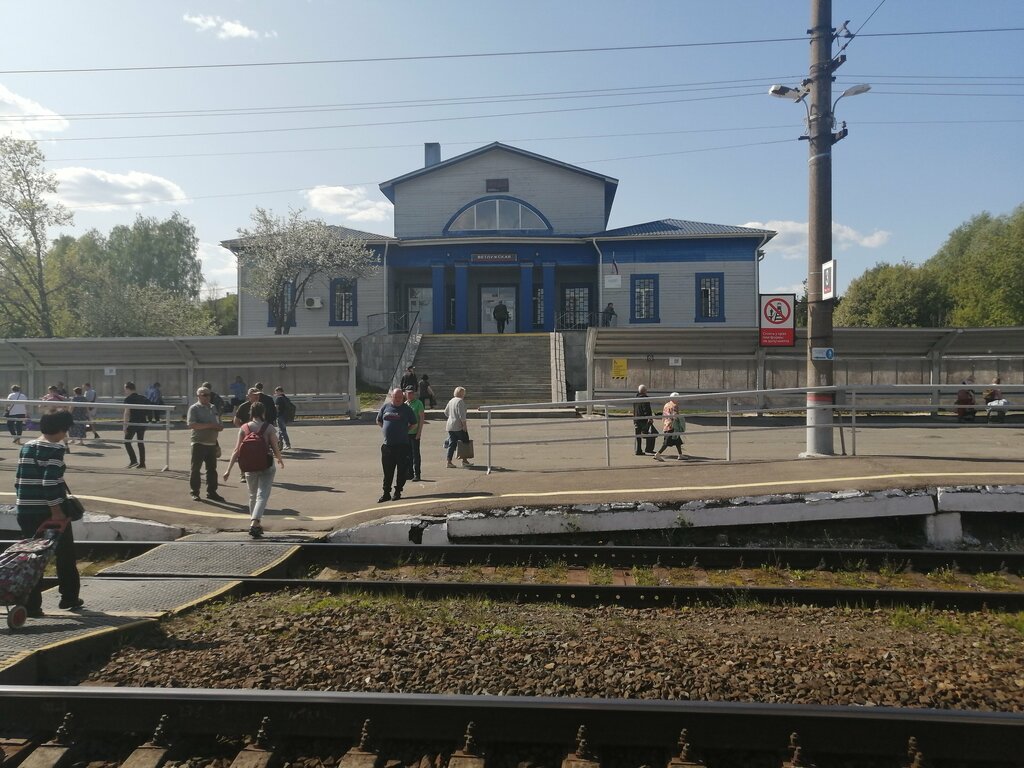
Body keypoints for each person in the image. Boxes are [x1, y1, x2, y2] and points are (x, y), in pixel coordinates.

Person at [15, 411, 82, 615]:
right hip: (48, 511)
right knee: (65, 554)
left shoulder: (26, 446)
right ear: (62, 429)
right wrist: (57, 511)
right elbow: (49, 482)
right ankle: (69, 597)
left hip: (25, 510)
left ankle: (32, 605)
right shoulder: (55, 449)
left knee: (33, 557)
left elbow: (19, 480)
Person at [223, 401, 283, 538]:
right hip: (267, 466)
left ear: (251, 413)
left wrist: (228, 469)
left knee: (252, 495)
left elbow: (236, 450)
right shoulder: (269, 428)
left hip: (249, 467)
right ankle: (254, 522)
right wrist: (280, 459)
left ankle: (256, 524)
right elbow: (275, 448)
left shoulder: (244, 428)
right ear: (263, 412)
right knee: (262, 495)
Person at [376, 387, 416, 503]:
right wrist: (386, 430)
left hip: (402, 445)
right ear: (392, 397)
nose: (398, 399)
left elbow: (414, 423)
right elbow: (378, 420)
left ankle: (398, 491)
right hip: (387, 446)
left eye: (400, 397)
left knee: (401, 471)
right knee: (387, 471)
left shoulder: (406, 409)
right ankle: (386, 493)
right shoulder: (386, 407)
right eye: (396, 397)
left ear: (402, 398)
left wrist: (404, 431)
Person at [187, 386, 225, 502]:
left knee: (212, 469)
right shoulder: (194, 408)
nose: (207, 397)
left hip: (211, 443)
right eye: (204, 395)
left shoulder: (213, 408)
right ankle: (195, 492)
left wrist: (218, 427)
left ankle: (212, 492)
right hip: (198, 442)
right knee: (196, 469)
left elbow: (218, 423)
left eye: (209, 395)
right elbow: (192, 425)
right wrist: (210, 425)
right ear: (198, 396)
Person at [122, 381, 150, 469]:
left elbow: (127, 413)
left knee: (127, 441)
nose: (125, 391)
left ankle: (133, 460)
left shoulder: (128, 399)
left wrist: (124, 425)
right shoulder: (143, 398)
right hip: (142, 422)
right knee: (140, 442)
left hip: (133, 422)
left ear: (128, 389)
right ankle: (142, 463)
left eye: (125, 389)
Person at [443, 386, 472, 468]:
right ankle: (464, 460)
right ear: (462, 393)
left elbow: (445, 412)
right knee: (465, 442)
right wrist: (464, 426)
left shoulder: (451, 400)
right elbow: (462, 415)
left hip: (450, 425)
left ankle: (449, 461)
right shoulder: (460, 401)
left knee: (452, 444)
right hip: (458, 426)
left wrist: (451, 416)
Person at [654, 392, 686, 461]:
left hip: (666, 425)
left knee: (678, 441)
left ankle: (680, 455)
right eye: (677, 398)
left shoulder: (666, 404)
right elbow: (675, 416)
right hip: (672, 426)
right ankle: (658, 454)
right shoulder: (675, 406)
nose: (678, 400)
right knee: (667, 442)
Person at [404, 385, 426, 481]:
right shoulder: (404, 404)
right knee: (407, 454)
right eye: (408, 393)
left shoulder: (418, 403)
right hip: (406, 433)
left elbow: (421, 418)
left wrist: (419, 432)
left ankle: (417, 474)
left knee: (415, 454)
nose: (410, 395)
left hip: (414, 432)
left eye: (412, 393)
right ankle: (410, 473)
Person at [41, 385, 70, 451]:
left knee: (50, 432)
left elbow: (40, 407)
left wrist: (44, 399)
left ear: (50, 391)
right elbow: (68, 406)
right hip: (62, 416)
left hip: (52, 417)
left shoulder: (49, 399)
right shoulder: (62, 398)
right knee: (63, 432)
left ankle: (50, 447)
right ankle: (66, 446)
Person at [632, 384, 657, 455]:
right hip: (643, 420)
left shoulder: (635, 398)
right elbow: (646, 409)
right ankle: (649, 449)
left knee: (638, 436)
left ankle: (638, 450)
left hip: (636, 419)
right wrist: (650, 418)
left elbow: (635, 409)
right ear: (645, 391)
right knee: (652, 433)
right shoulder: (645, 399)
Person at [273, 386, 294, 450]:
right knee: (281, 431)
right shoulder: (286, 398)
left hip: (280, 416)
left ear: (279, 392)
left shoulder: (278, 399)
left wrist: (274, 415)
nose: (275, 393)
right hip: (286, 416)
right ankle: (279, 444)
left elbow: (276, 408)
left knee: (282, 431)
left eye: (276, 392)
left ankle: (287, 444)